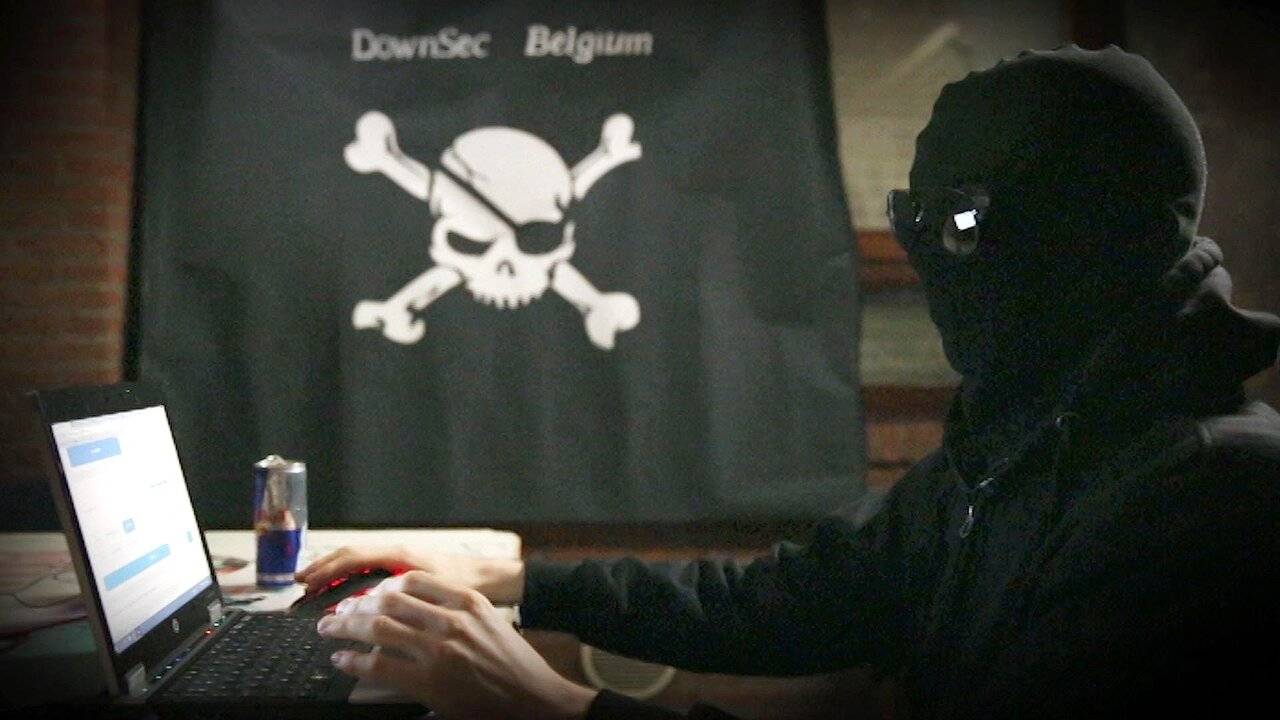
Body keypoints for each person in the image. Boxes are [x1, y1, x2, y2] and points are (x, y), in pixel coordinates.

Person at [297, 46, 1280, 719]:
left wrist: (550, 703)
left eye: (962, 227)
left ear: (1082, 230)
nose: (935, 262)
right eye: (915, 224)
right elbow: (796, 600)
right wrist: (516, 579)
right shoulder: (1031, 428)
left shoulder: (1210, 501)